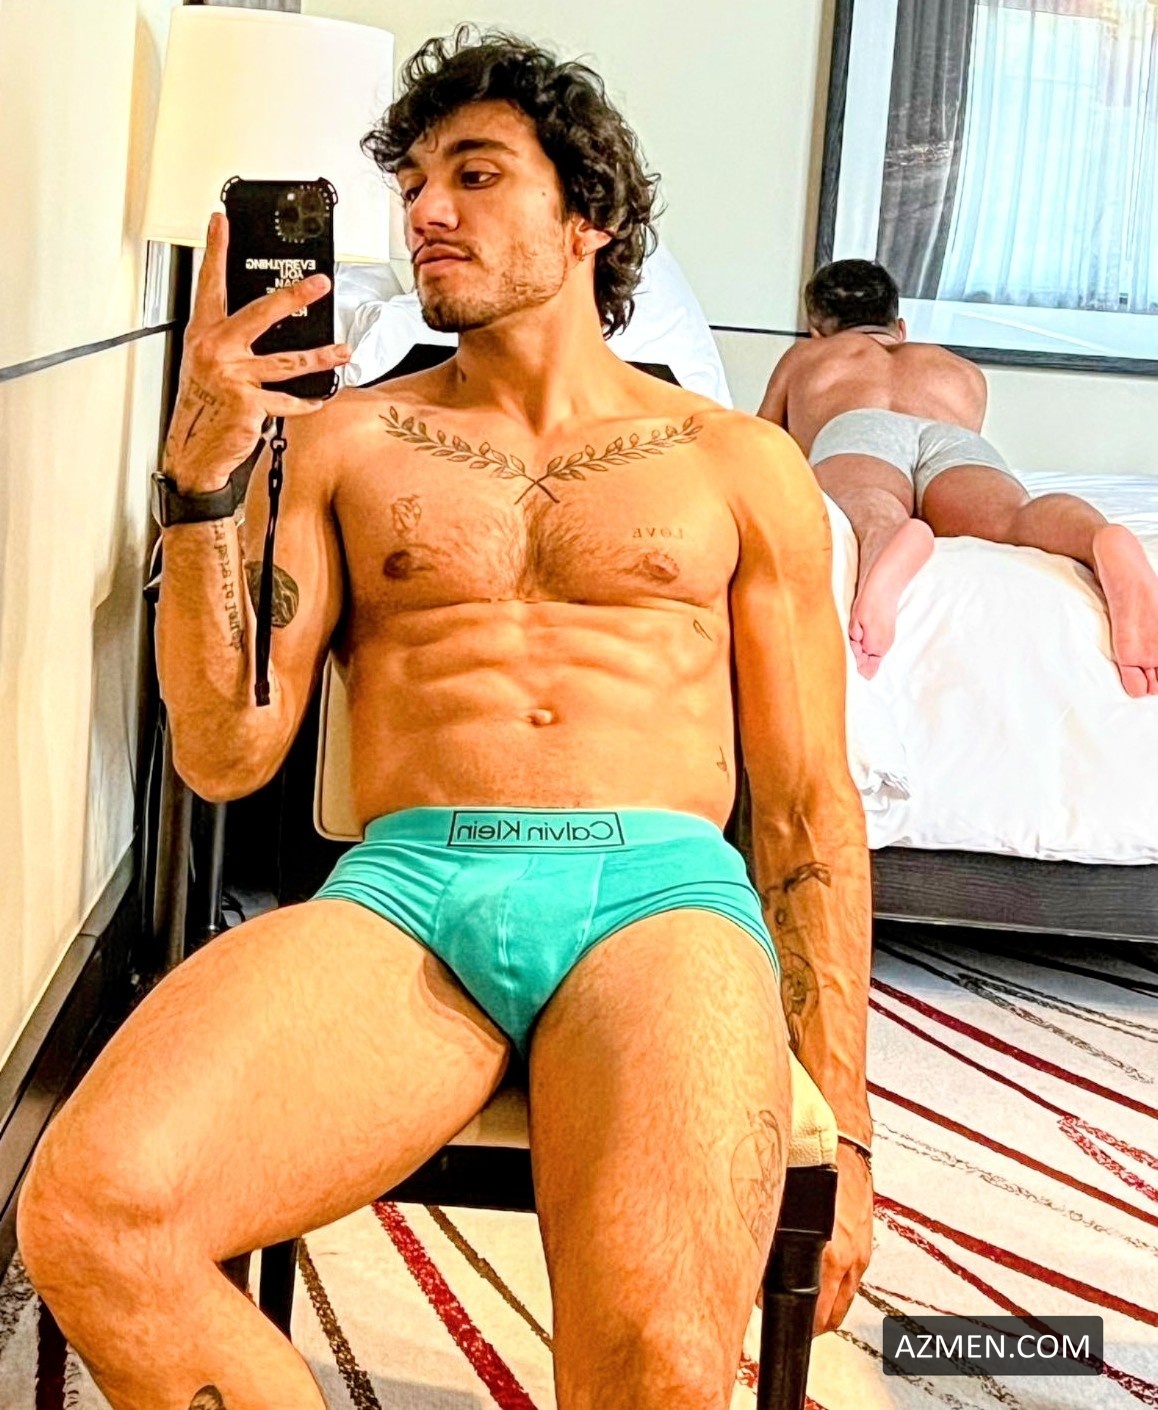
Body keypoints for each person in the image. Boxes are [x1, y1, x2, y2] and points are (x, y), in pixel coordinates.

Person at [17, 31, 873, 1410]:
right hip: (411, 897)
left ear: (587, 215)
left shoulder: (738, 465)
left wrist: (857, 1138)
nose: (426, 209)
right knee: (91, 1215)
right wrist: (199, 482)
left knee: (656, 1363)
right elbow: (225, 752)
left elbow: (807, 806)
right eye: (413, 181)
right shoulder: (340, 443)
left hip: (662, 903)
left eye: (475, 174)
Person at [758, 258, 1158, 692]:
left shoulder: (807, 356)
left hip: (859, 428)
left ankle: (887, 535)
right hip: (952, 440)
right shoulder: (960, 369)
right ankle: (1096, 536)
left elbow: (761, 442)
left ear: (816, 331)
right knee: (1013, 516)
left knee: (868, 501)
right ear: (900, 327)